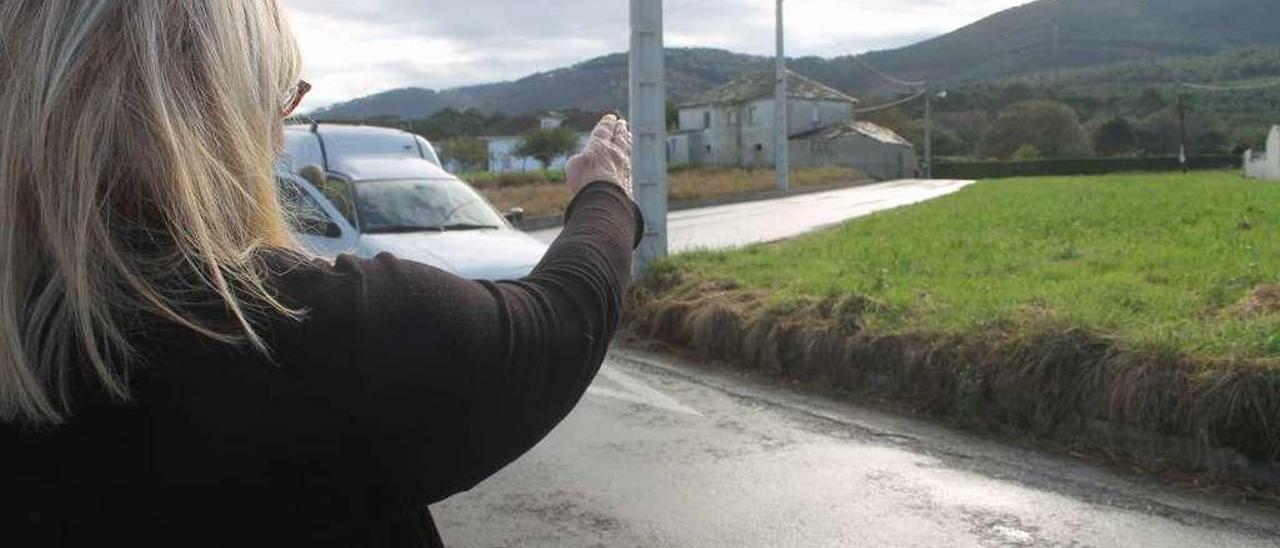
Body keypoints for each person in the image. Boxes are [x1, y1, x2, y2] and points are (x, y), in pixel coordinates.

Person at [0, 1, 640, 547]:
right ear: (207, 116)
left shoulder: (31, 329)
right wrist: (606, 192)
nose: (278, 139)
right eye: (277, 99)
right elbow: (560, 322)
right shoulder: (283, 334)